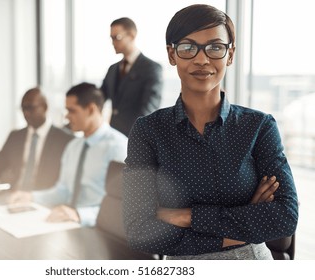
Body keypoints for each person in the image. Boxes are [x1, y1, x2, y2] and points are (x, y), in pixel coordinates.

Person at [123, 4, 299, 260]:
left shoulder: (259, 127)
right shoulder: (149, 131)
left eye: (215, 47)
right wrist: (244, 219)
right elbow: (138, 229)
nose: (202, 59)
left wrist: (185, 215)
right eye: (188, 47)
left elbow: (285, 217)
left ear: (230, 54)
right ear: (172, 54)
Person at [10, 82, 128, 227]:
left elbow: (124, 207)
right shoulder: (73, 146)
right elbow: (62, 191)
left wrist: (79, 215)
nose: (67, 117)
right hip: (66, 222)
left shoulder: (119, 148)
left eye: (72, 111)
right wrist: (30, 196)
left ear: (91, 109)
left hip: (99, 228)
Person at [0, 87, 73, 192]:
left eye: (30, 108)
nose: (26, 113)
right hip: (13, 198)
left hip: (44, 203)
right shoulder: (15, 137)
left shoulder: (65, 140)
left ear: (44, 107)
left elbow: (65, 185)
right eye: (23, 109)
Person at [101, 17, 163, 136]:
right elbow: (99, 97)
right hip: (113, 135)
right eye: (111, 38)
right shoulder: (113, 69)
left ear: (132, 36)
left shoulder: (151, 68)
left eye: (116, 37)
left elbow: (149, 109)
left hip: (137, 138)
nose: (112, 42)